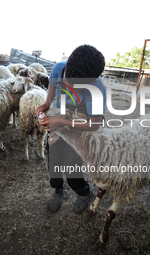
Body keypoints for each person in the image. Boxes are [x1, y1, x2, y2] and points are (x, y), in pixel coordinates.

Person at [35, 44, 107, 214]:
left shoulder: (97, 89)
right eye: (67, 80)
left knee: (70, 165)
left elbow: (94, 124)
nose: (68, 86)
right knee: (53, 159)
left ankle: (83, 192)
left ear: (92, 81)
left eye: (76, 86)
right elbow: (49, 99)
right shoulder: (59, 69)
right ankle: (58, 190)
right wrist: (44, 108)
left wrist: (60, 122)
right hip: (59, 121)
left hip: (81, 127)